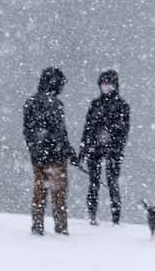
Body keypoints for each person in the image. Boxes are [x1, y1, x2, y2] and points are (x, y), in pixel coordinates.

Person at [23, 67, 74, 235]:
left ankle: (37, 225)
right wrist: (68, 151)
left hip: (39, 156)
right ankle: (61, 227)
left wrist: (35, 151)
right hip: (56, 157)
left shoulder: (31, 102)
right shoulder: (56, 104)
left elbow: (28, 132)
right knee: (59, 194)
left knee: (39, 192)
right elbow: (60, 132)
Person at [81, 69, 131, 226]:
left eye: (108, 84)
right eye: (103, 84)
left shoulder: (122, 106)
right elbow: (88, 128)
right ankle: (92, 215)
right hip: (95, 148)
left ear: (115, 85)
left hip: (113, 150)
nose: (105, 87)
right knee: (93, 182)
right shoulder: (95, 104)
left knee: (112, 182)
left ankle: (115, 218)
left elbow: (123, 131)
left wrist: (115, 147)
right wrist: (84, 148)